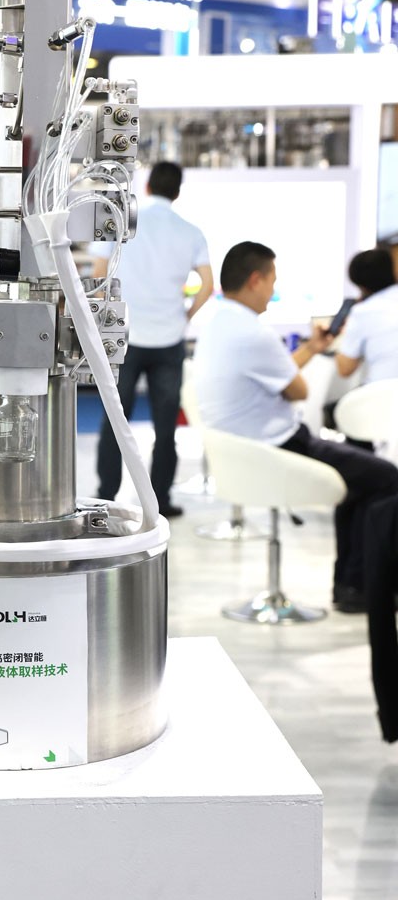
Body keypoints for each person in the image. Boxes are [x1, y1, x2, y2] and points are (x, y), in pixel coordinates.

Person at [193, 240, 398, 614]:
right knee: (386, 478)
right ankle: (363, 586)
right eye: (272, 280)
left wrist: (312, 348)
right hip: (279, 446)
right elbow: (298, 390)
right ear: (255, 280)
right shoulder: (254, 333)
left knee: (361, 479)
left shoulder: (219, 324)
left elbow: (279, 376)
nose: (273, 291)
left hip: (243, 449)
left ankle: (354, 584)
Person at [92, 161, 213, 516]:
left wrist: (108, 314)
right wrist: (185, 315)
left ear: (147, 187)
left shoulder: (122, 221)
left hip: (125, 337)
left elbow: (98, 275)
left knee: (116, 420)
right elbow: (208, 285)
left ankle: (107, 496)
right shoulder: (191, 232)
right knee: (165, 425)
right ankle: (160, 501)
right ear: (177, 191)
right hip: (169, 339)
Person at [335, 247, 398, 383]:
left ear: (360, 284)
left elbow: (345, 369)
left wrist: (339, 337)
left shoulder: (362, 312)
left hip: (383, 391)